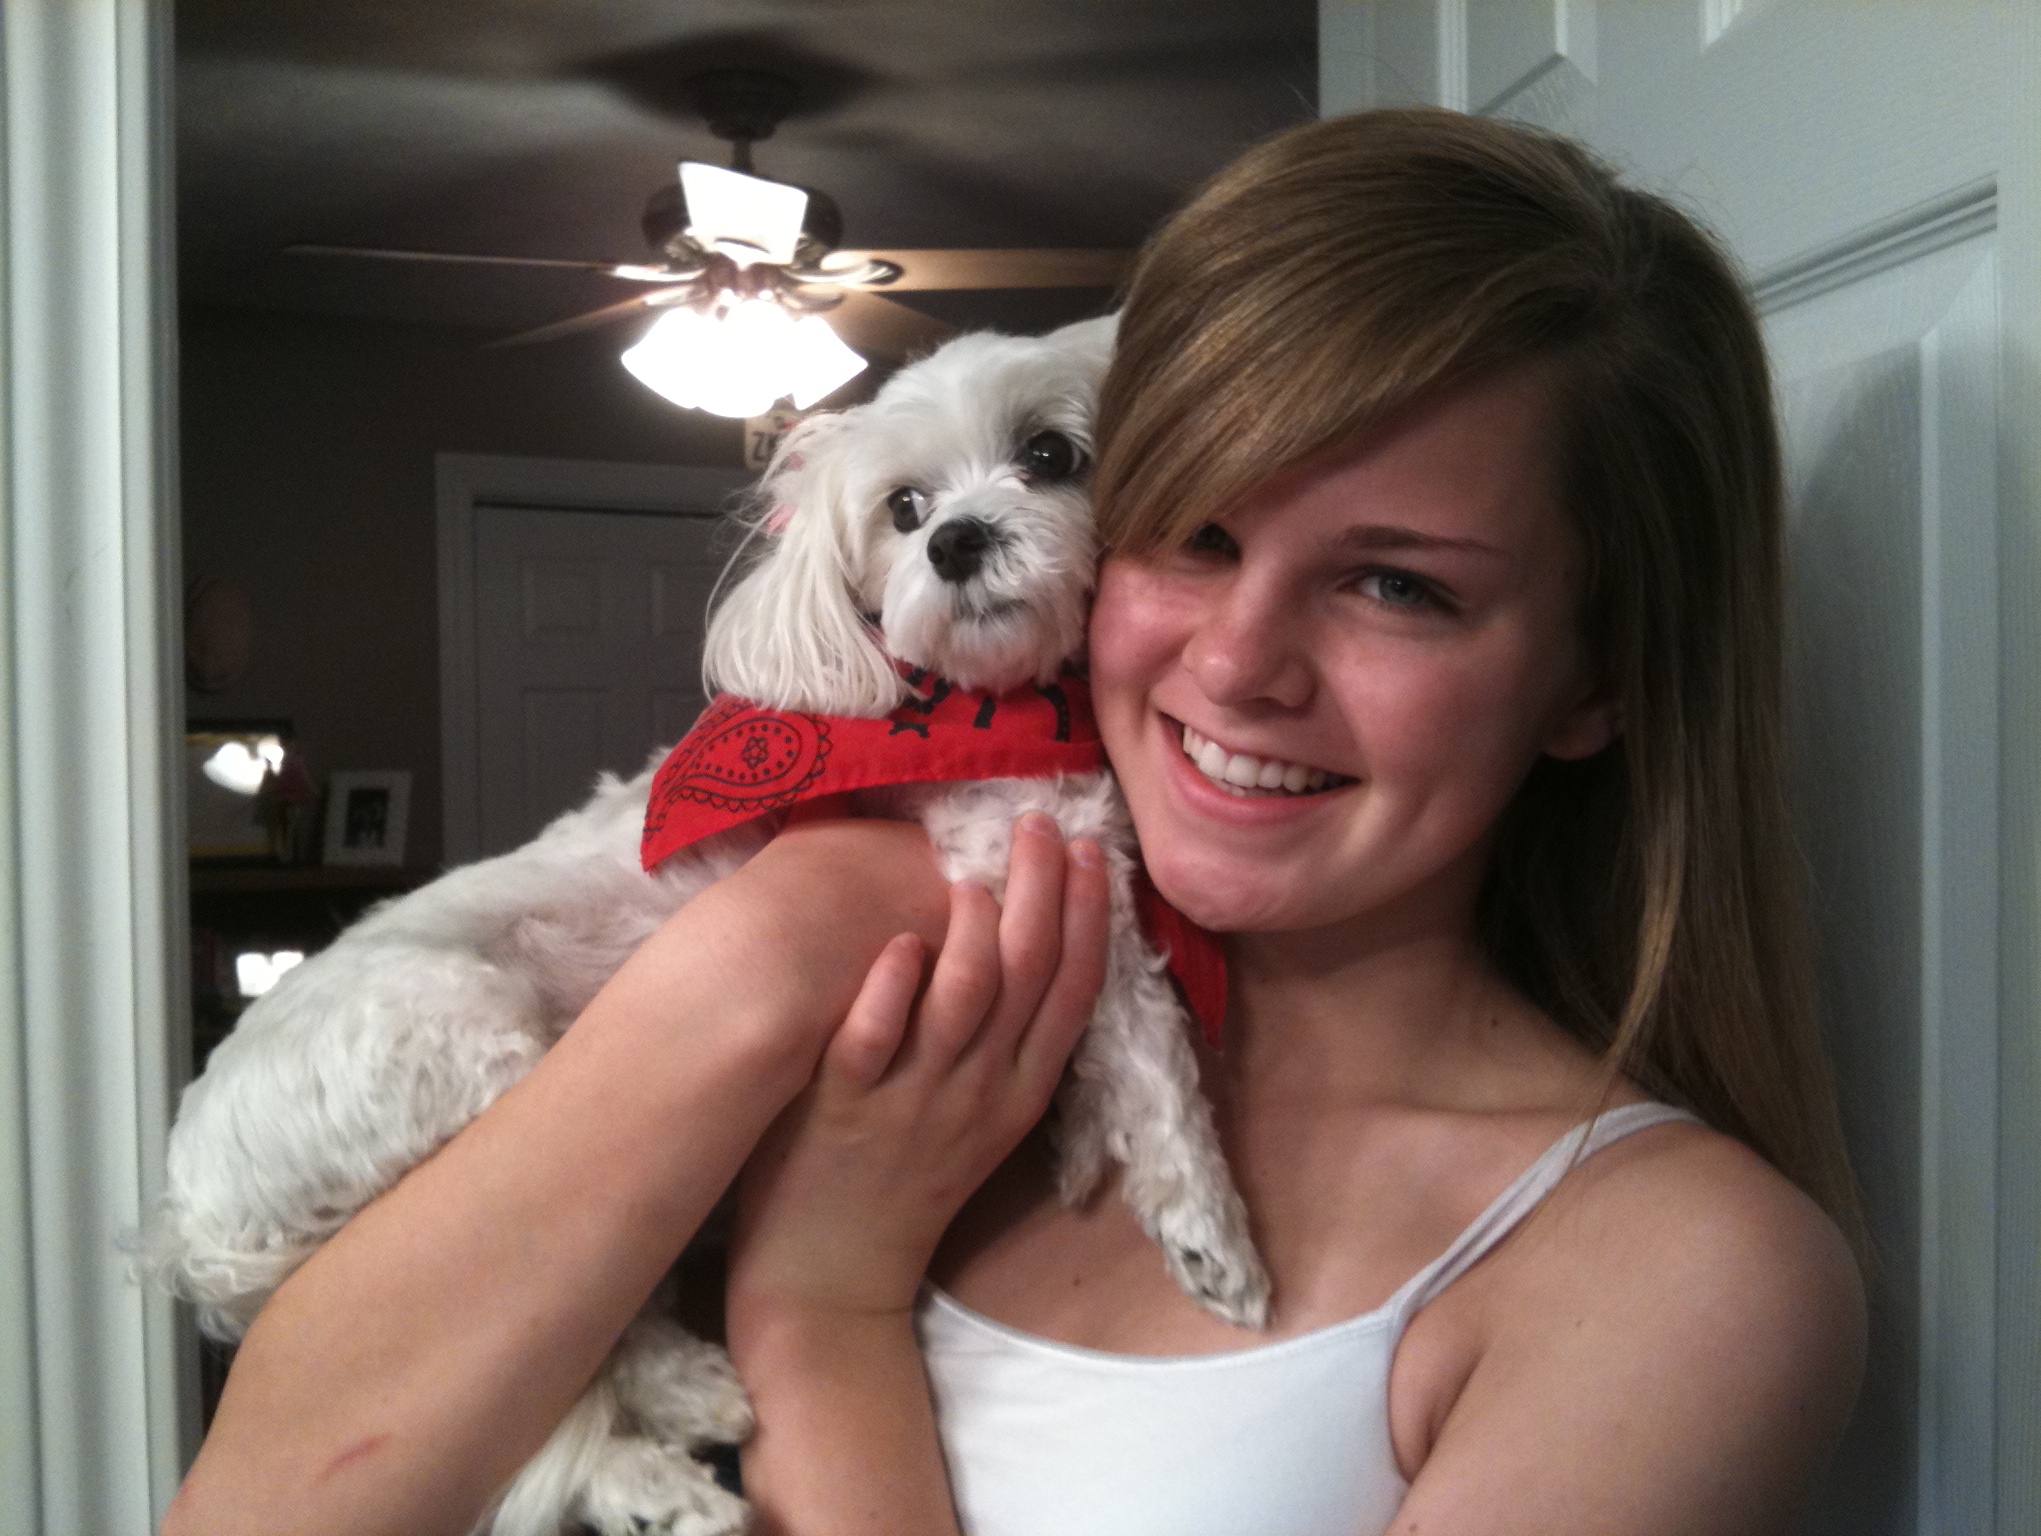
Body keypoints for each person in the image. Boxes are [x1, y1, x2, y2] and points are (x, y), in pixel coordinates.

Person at [166, 109, 1866, 1536]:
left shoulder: (1676, 1280)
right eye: (1193, 531)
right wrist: (769, 950)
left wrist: (816, 1308)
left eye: (1399, 586)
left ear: (1596, 677)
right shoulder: (833, 950)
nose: (1237, 663)